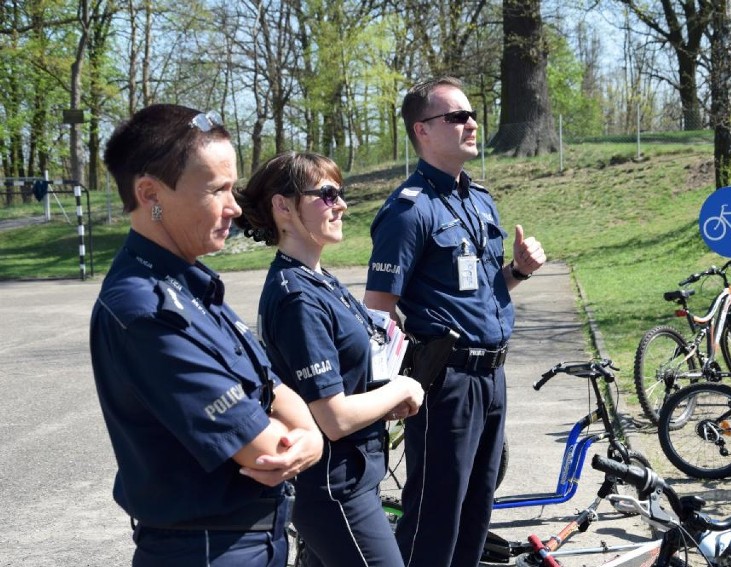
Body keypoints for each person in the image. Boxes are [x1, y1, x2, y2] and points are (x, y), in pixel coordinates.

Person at [89, 104, 324, 566]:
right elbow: (265, 452)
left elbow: (274, 388)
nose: (235, 207)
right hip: (206, 550)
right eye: (217, 189)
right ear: (150, 193)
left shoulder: (190, 285)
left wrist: (310, 432)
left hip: (256, 540)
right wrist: (304, 434)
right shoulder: (143, 310)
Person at [363, 77, 547, 566]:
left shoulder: (480, 200)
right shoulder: (408, 210)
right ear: (423, 131)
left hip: (492, 378)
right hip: (445, 381)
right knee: (435, 516)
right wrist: (403, 379)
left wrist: (518, 272)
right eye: (457, 117)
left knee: (475, 513)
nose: (471, 123)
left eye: (471, 114)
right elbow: (379, 308)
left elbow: (485, 290)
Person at [234, 151, 425, 567]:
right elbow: (332, 418)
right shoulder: (298, 296)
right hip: (334, 488)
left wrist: (380, 399)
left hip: (353, 476)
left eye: (339, 193)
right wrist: (400, 389)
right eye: (326, 194)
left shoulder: (317, 279)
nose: (340, 204)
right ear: (282, 207)